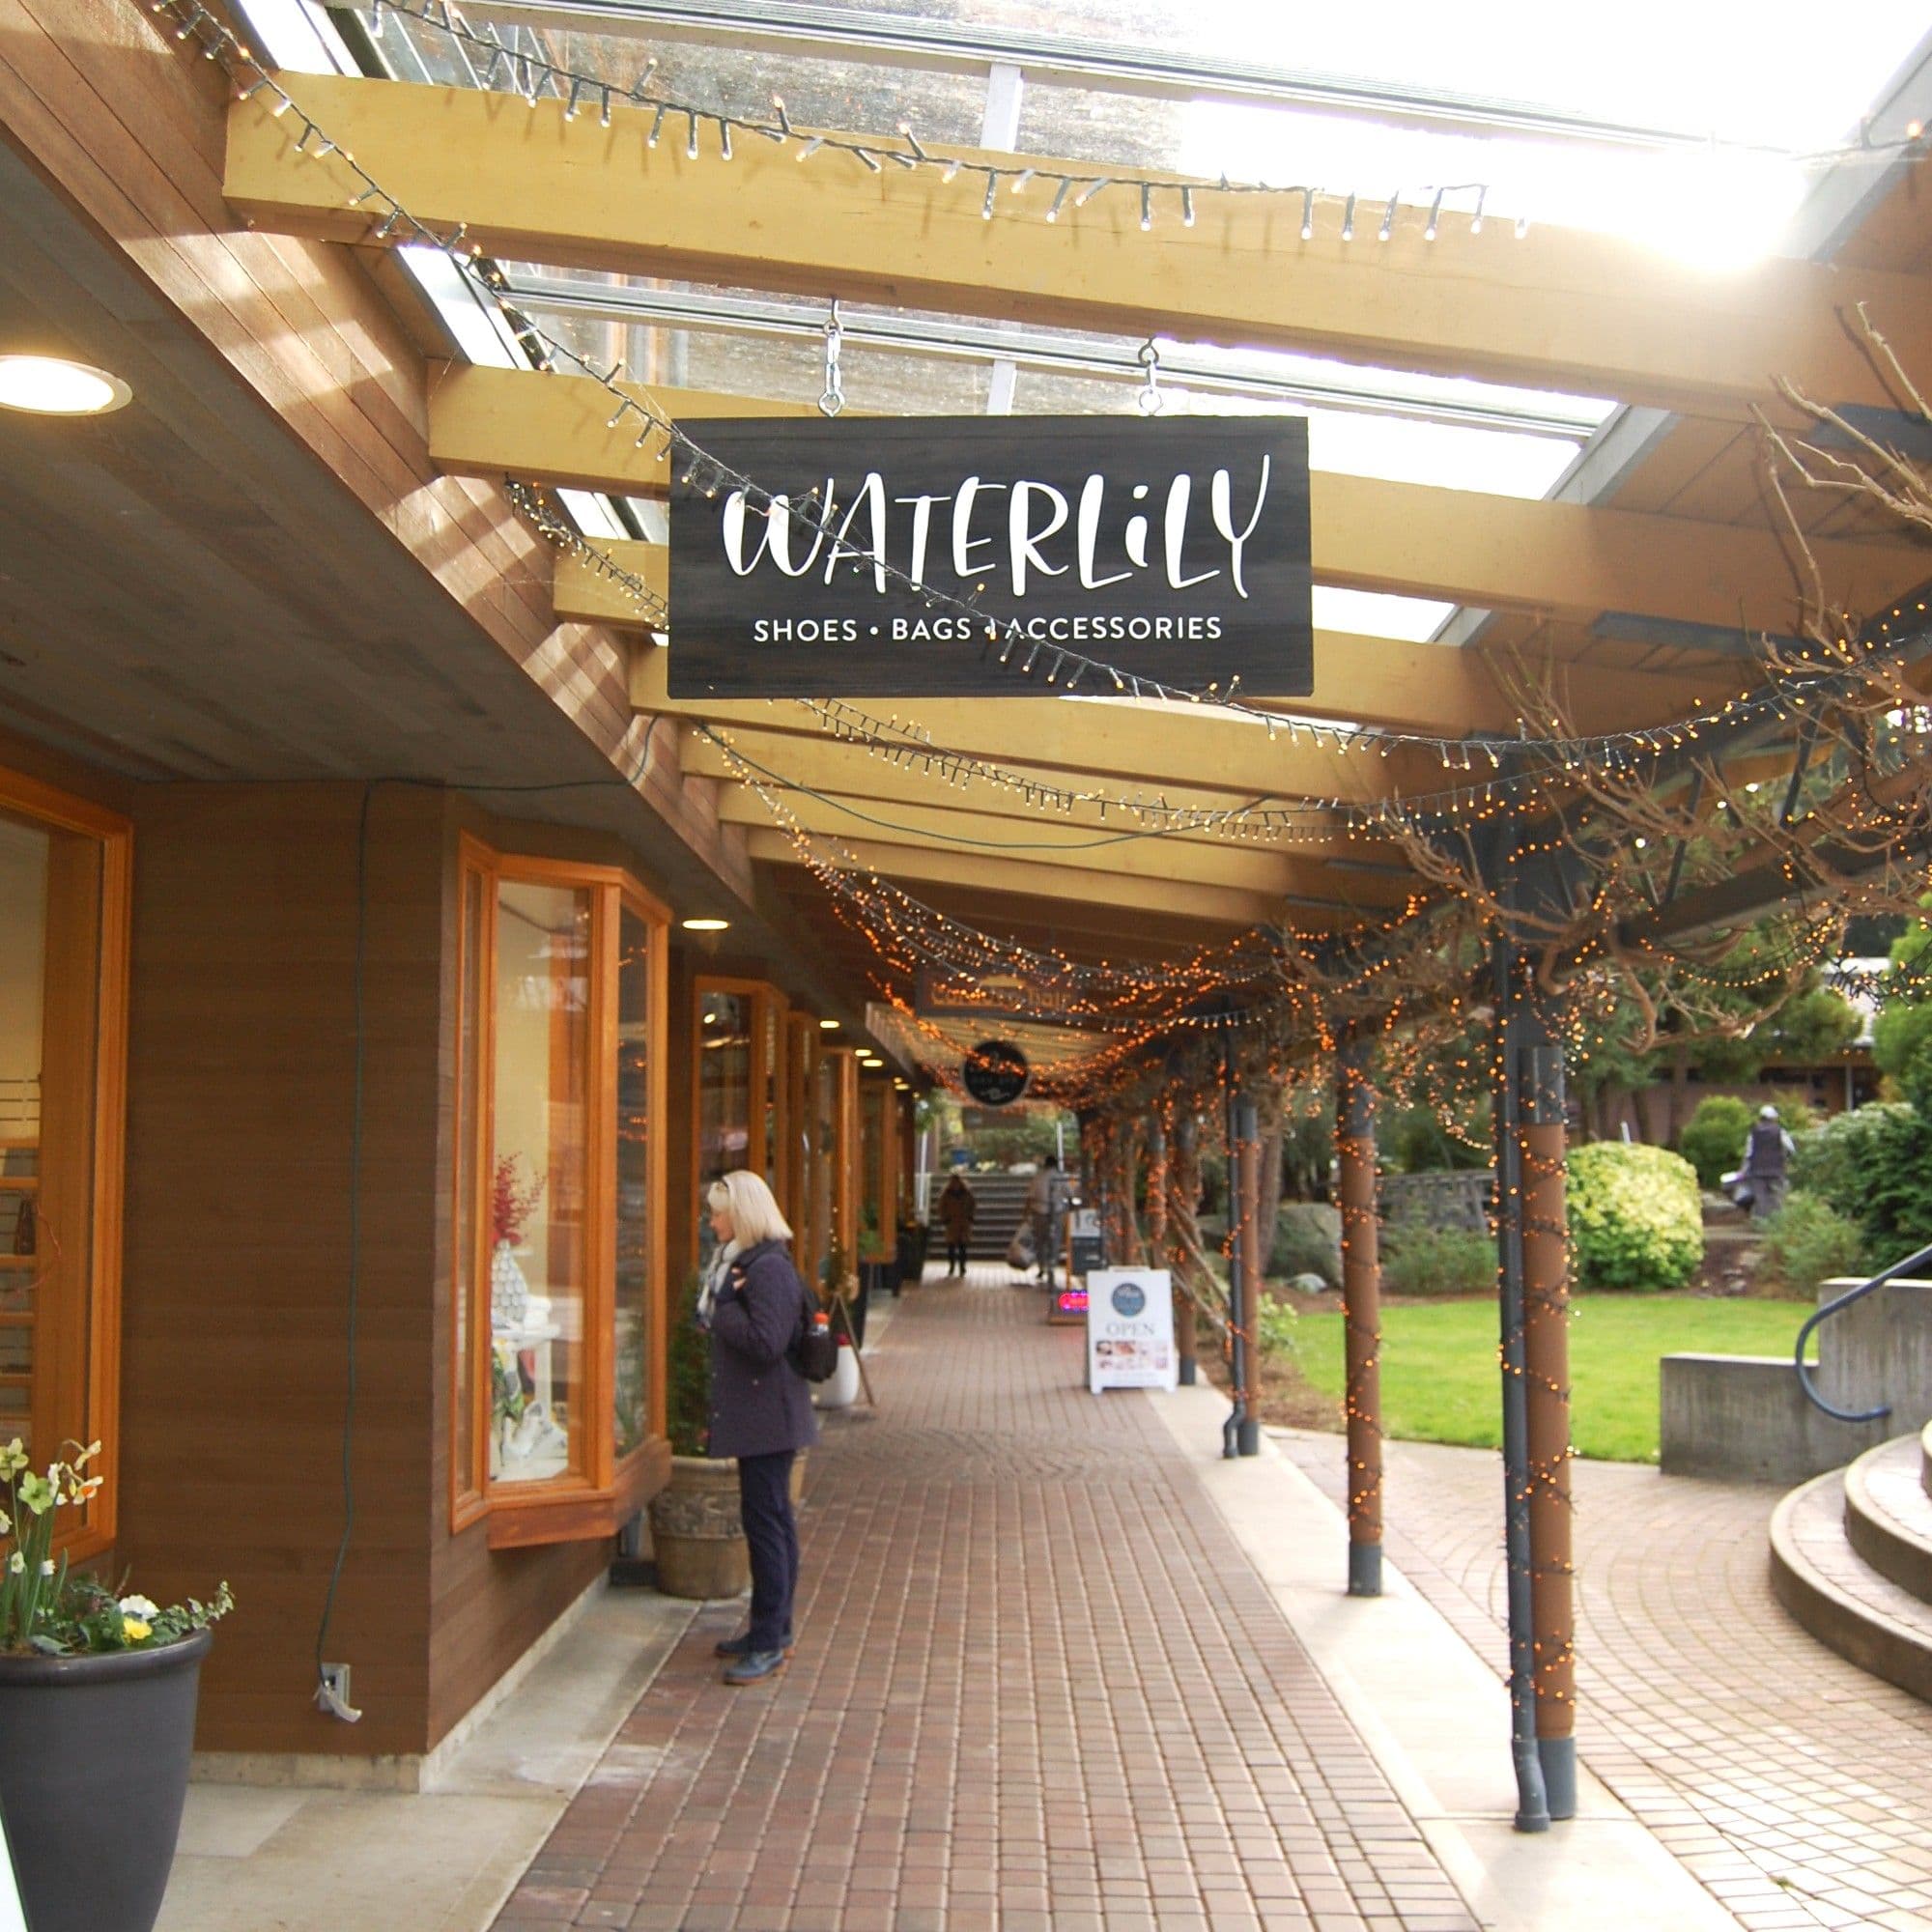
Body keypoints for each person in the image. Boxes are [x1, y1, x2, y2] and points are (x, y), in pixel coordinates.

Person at [699, 1170, 818, 1685]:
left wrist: (723, 1307)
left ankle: (770, 1639)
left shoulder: (765, 1269)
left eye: (717, 1212)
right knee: (770, 1521)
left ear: (741, 1215)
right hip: (764, 1416)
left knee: (768, 1525)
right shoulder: (747, 1263)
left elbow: (766, 1342)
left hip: (769, 1418)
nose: (711, 1221)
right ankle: (773, 1630)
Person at [1737, 1103, 1796, 1220]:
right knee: (1777, 1197)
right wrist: (1785, 1158)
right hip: (1776, 1170)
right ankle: (1777, 1223)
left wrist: (1743, 1170)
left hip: (1757, 1170)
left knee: (1760, 1198)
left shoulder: (1753, 1133)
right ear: (1774, 1118)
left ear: (1761, 1117)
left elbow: (1748, 1153)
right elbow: (1791, 1149)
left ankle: (1761, 1223)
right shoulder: (1780, 1132)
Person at [1024, 1155, 1070, 1288]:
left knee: (1041, 1241)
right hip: (1056, 1212)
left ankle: (1041, 1267)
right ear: (1055, 1165)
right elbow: (1069, 1193)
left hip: (1039, 1212)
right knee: (1054, 1242)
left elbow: (1030, 1197)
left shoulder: (1038, 1176)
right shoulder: (1060, 1176)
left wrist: (1025, 1213)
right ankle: (1052, 1267)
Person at [937, 1174, 977, 1276]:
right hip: (952, 1223)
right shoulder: (946, 1194)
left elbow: (973, 1205)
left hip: (963, 1223)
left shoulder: (967, 1193)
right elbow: (941, 1207)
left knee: (963, 1247)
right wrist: (945, 1218)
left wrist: (970, 1217)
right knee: (951, 1247)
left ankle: (962, 1267)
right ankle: (952, 1266)